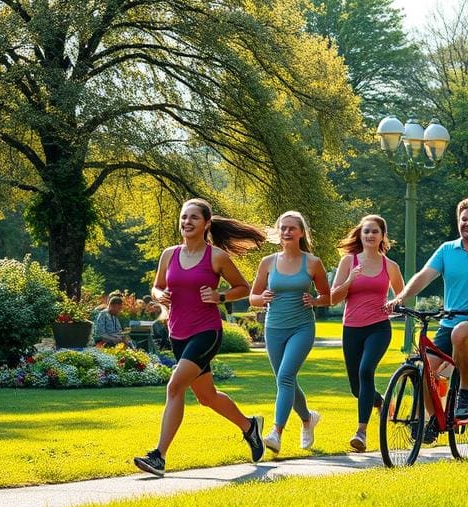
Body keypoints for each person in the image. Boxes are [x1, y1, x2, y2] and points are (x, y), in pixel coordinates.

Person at [133, 198, 266, 477]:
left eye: (194, 218)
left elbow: (243, 287)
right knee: (207, 397)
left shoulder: (216, 256)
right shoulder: (169, 254)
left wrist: (220, 297)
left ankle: (159, 456)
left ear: (206, 223)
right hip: (178, 333)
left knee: (174, 386)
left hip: (206, 332)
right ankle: (249, 426)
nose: (187, 222)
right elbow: (157, 287)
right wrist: (161, 296)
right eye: (183, 217)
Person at [389, 196, 468, 442]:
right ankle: (435, 418)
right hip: (449, 320)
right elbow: (424, 276)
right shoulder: (447, 250)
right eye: (463, 219)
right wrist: (402, 298)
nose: (467, 223)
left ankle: (465, 392)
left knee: (461, 333)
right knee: (426, 367)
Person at [249, 211, 330, 454]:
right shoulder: (268, 262)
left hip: (301, 327)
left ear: (301, 232)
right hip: (273, 328)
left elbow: (327, 297)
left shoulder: (312, 262)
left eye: (291, 228)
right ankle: (307, 418)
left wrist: (315, 301)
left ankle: (276, 432)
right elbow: (253, 297)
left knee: (284, 377)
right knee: (287, 381)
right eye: (283, 228)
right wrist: (261, 298)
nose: (286, 232)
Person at [330, 215, 405, 452]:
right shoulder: (348, 262)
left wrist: (394, 302)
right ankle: (380, 402)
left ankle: (360, 433)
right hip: (351, 328)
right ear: (360, 235)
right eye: (366, 232)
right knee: (357, 387)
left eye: (375, 232)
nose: (370, 235)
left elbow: (403, 295)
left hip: (379, 328)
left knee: (365, 371)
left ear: (383, 236)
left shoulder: (390, 266)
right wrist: (350, 280)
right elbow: (333, 299)